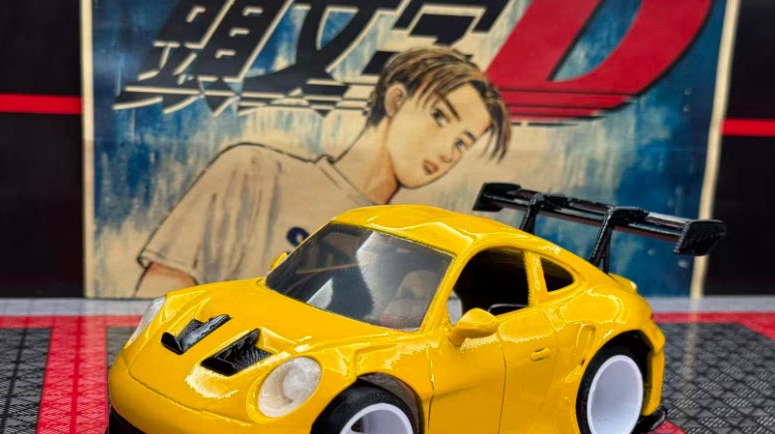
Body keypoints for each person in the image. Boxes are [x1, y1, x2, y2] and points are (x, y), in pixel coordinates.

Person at [135, 47, 511, 296]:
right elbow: (163, 293)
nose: (446, 151)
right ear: (396, 99)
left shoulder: (410, 236)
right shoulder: (255, 172)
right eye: (440, 116)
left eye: (462, 143)